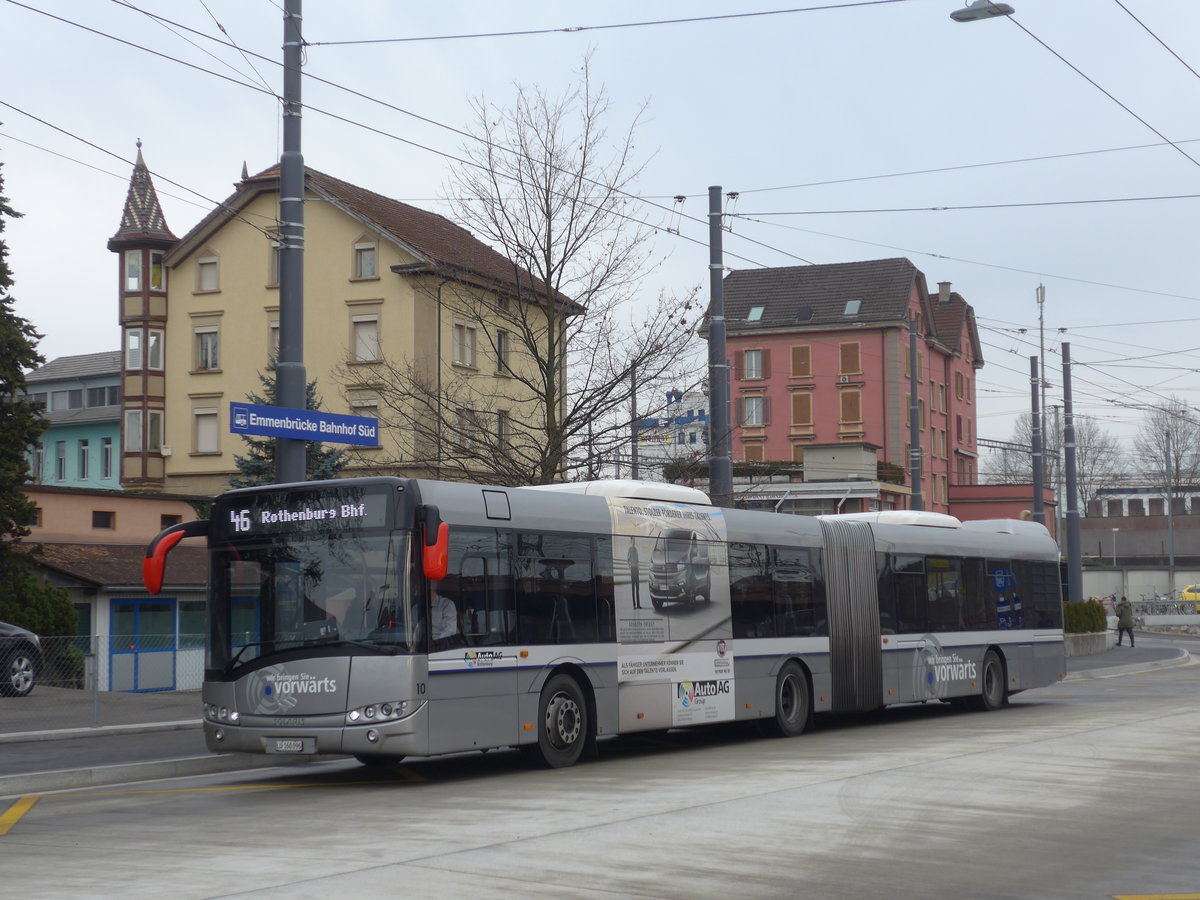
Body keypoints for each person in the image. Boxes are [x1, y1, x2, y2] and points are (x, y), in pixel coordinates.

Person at [627, 539, 642, 609]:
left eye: (634, 541)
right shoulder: (630, 549)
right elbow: (628, 560)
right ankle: (634, 605)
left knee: (637, 588)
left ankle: (638, 605)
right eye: (633, 541)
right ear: (631, 542)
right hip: (633, 569)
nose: (634, 542)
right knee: (633, 588)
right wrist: (630, 566)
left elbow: (638, 560)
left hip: (636, 570)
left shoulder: (636, 549)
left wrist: (638, 567)